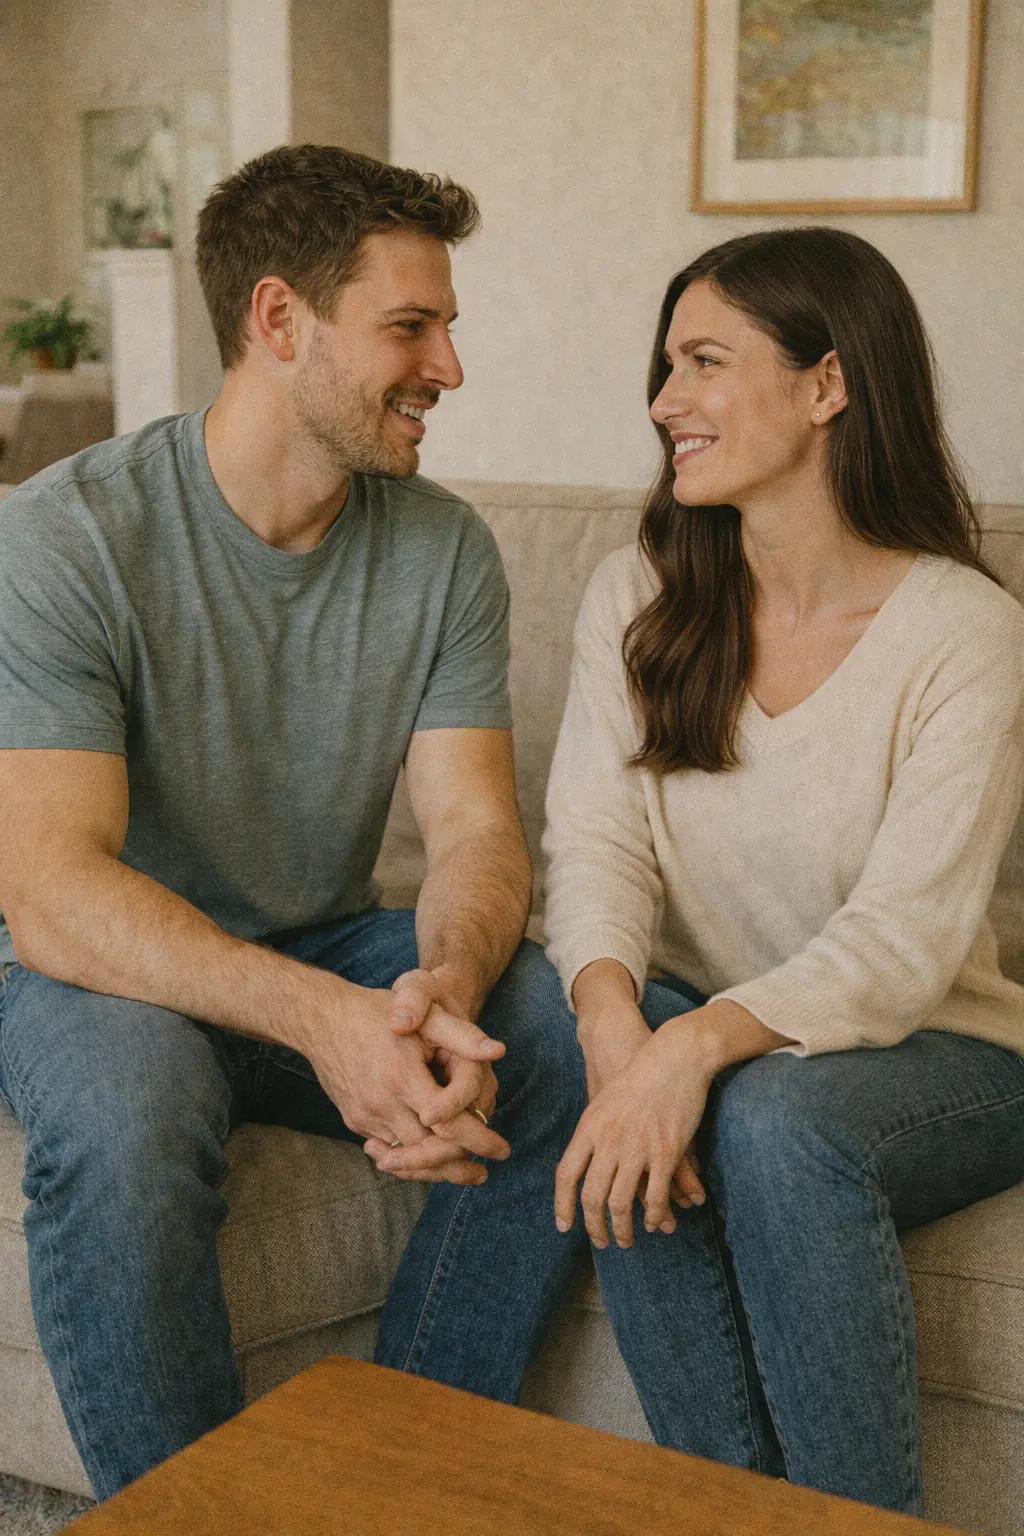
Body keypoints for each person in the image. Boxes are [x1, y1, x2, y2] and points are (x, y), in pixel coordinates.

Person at [0, 144, 585, 1500]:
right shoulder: (67, 536)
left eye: (448, 326)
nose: (449, 366)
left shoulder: (442, 549)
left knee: (552, 1026)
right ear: (279, 321)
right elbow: (51, 891)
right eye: (409, 326)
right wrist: (328, 1025)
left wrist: (444, 981)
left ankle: (391, 1486)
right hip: (98, 969)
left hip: (321, 937)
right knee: (131, 1110)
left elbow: (480, 836)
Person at [542, 226, 1024, 1515]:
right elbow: (594, 847)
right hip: (713, 1032)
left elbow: (904, 948)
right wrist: (611, 1034)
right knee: (605, 1062)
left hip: (943, 1049)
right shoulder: (636, 594)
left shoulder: (964, 635)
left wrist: (686, 1051)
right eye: (664, 365)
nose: (663, 402)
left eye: (705, 361)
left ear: (830, 384)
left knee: (773, 1118)